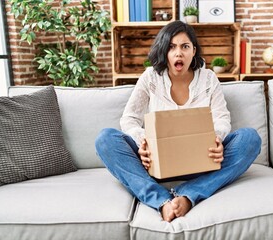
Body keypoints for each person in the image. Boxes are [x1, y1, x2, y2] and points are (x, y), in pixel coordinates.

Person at [95, 20, 261, 222]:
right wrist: (143, 143)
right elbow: (129, 119)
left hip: (201, 164)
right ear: (164, 51)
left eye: (185, 46)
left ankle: (189, 194)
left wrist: (216, 138)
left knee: (250, 138)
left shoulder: (208, 78)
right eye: (172, 47)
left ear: (193, 51)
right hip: (155, 166)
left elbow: (221, 118)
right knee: (105, 139)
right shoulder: (150, 77)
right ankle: (162, 201)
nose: (178, 53)